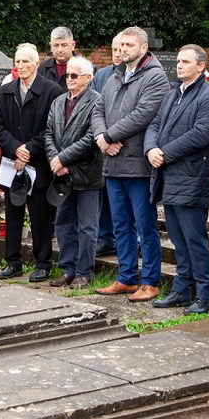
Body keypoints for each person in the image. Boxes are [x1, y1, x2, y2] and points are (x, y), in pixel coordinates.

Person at [143, 45, 209, 314]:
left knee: (194, 239)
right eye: (178, 61)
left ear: (201, 66)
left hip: (192, 176)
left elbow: (201, 134)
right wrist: (150, 149)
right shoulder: (172, 94)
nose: (179, 65)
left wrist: (164, 153)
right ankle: (181, 289)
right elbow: (154, 125)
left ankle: (204, 294)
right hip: (169, 177)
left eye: (185, 61)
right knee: (178, 238)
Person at [94, 26, 170, 302]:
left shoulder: (155, 77)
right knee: (120, 225)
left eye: (129, 45)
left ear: (143, 47)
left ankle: (150, 281)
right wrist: (101, 138)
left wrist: (109, 136)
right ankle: (126, 277)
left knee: (145, 226)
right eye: (121, 44)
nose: (123, 49)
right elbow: (98, 109)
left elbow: (143, 114)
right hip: (113, 163)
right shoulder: (115, 75)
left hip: (138, 164)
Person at [0, 43, 63, 282]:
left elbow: (52, 128)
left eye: (25, 62)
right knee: (13, 213)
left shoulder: (52, 91)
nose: (20, 66)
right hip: (13, 163)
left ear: (36, 64)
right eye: (18, 61)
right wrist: (15, 148)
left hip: (38, 163)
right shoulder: (5, 92)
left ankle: (43, 263)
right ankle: (13, 262)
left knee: (41, 215)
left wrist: (29, 150)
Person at [44, 56, 103, 289]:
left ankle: (84, 272)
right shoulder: (58, 101)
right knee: (63, 222)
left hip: (87, 173)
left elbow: (91, 138)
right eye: (67, 75)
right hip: (62, 174)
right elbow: (49, 133)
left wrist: (63, 158)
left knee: (87, 226)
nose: (69, 79)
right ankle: (68, 269)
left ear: (88, 78)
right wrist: (55, 159)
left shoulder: (97, 101)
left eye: (74, 75)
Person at [91, 35, 124, 256]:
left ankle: (128, 240)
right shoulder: (102, 75)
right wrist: (103, 138)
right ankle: (105, 237)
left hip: (125, 145)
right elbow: (95, 109)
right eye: (114, 49)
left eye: (122, 49)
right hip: (103, 145)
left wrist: (114, 137)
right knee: (104, 195)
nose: (118, 54)